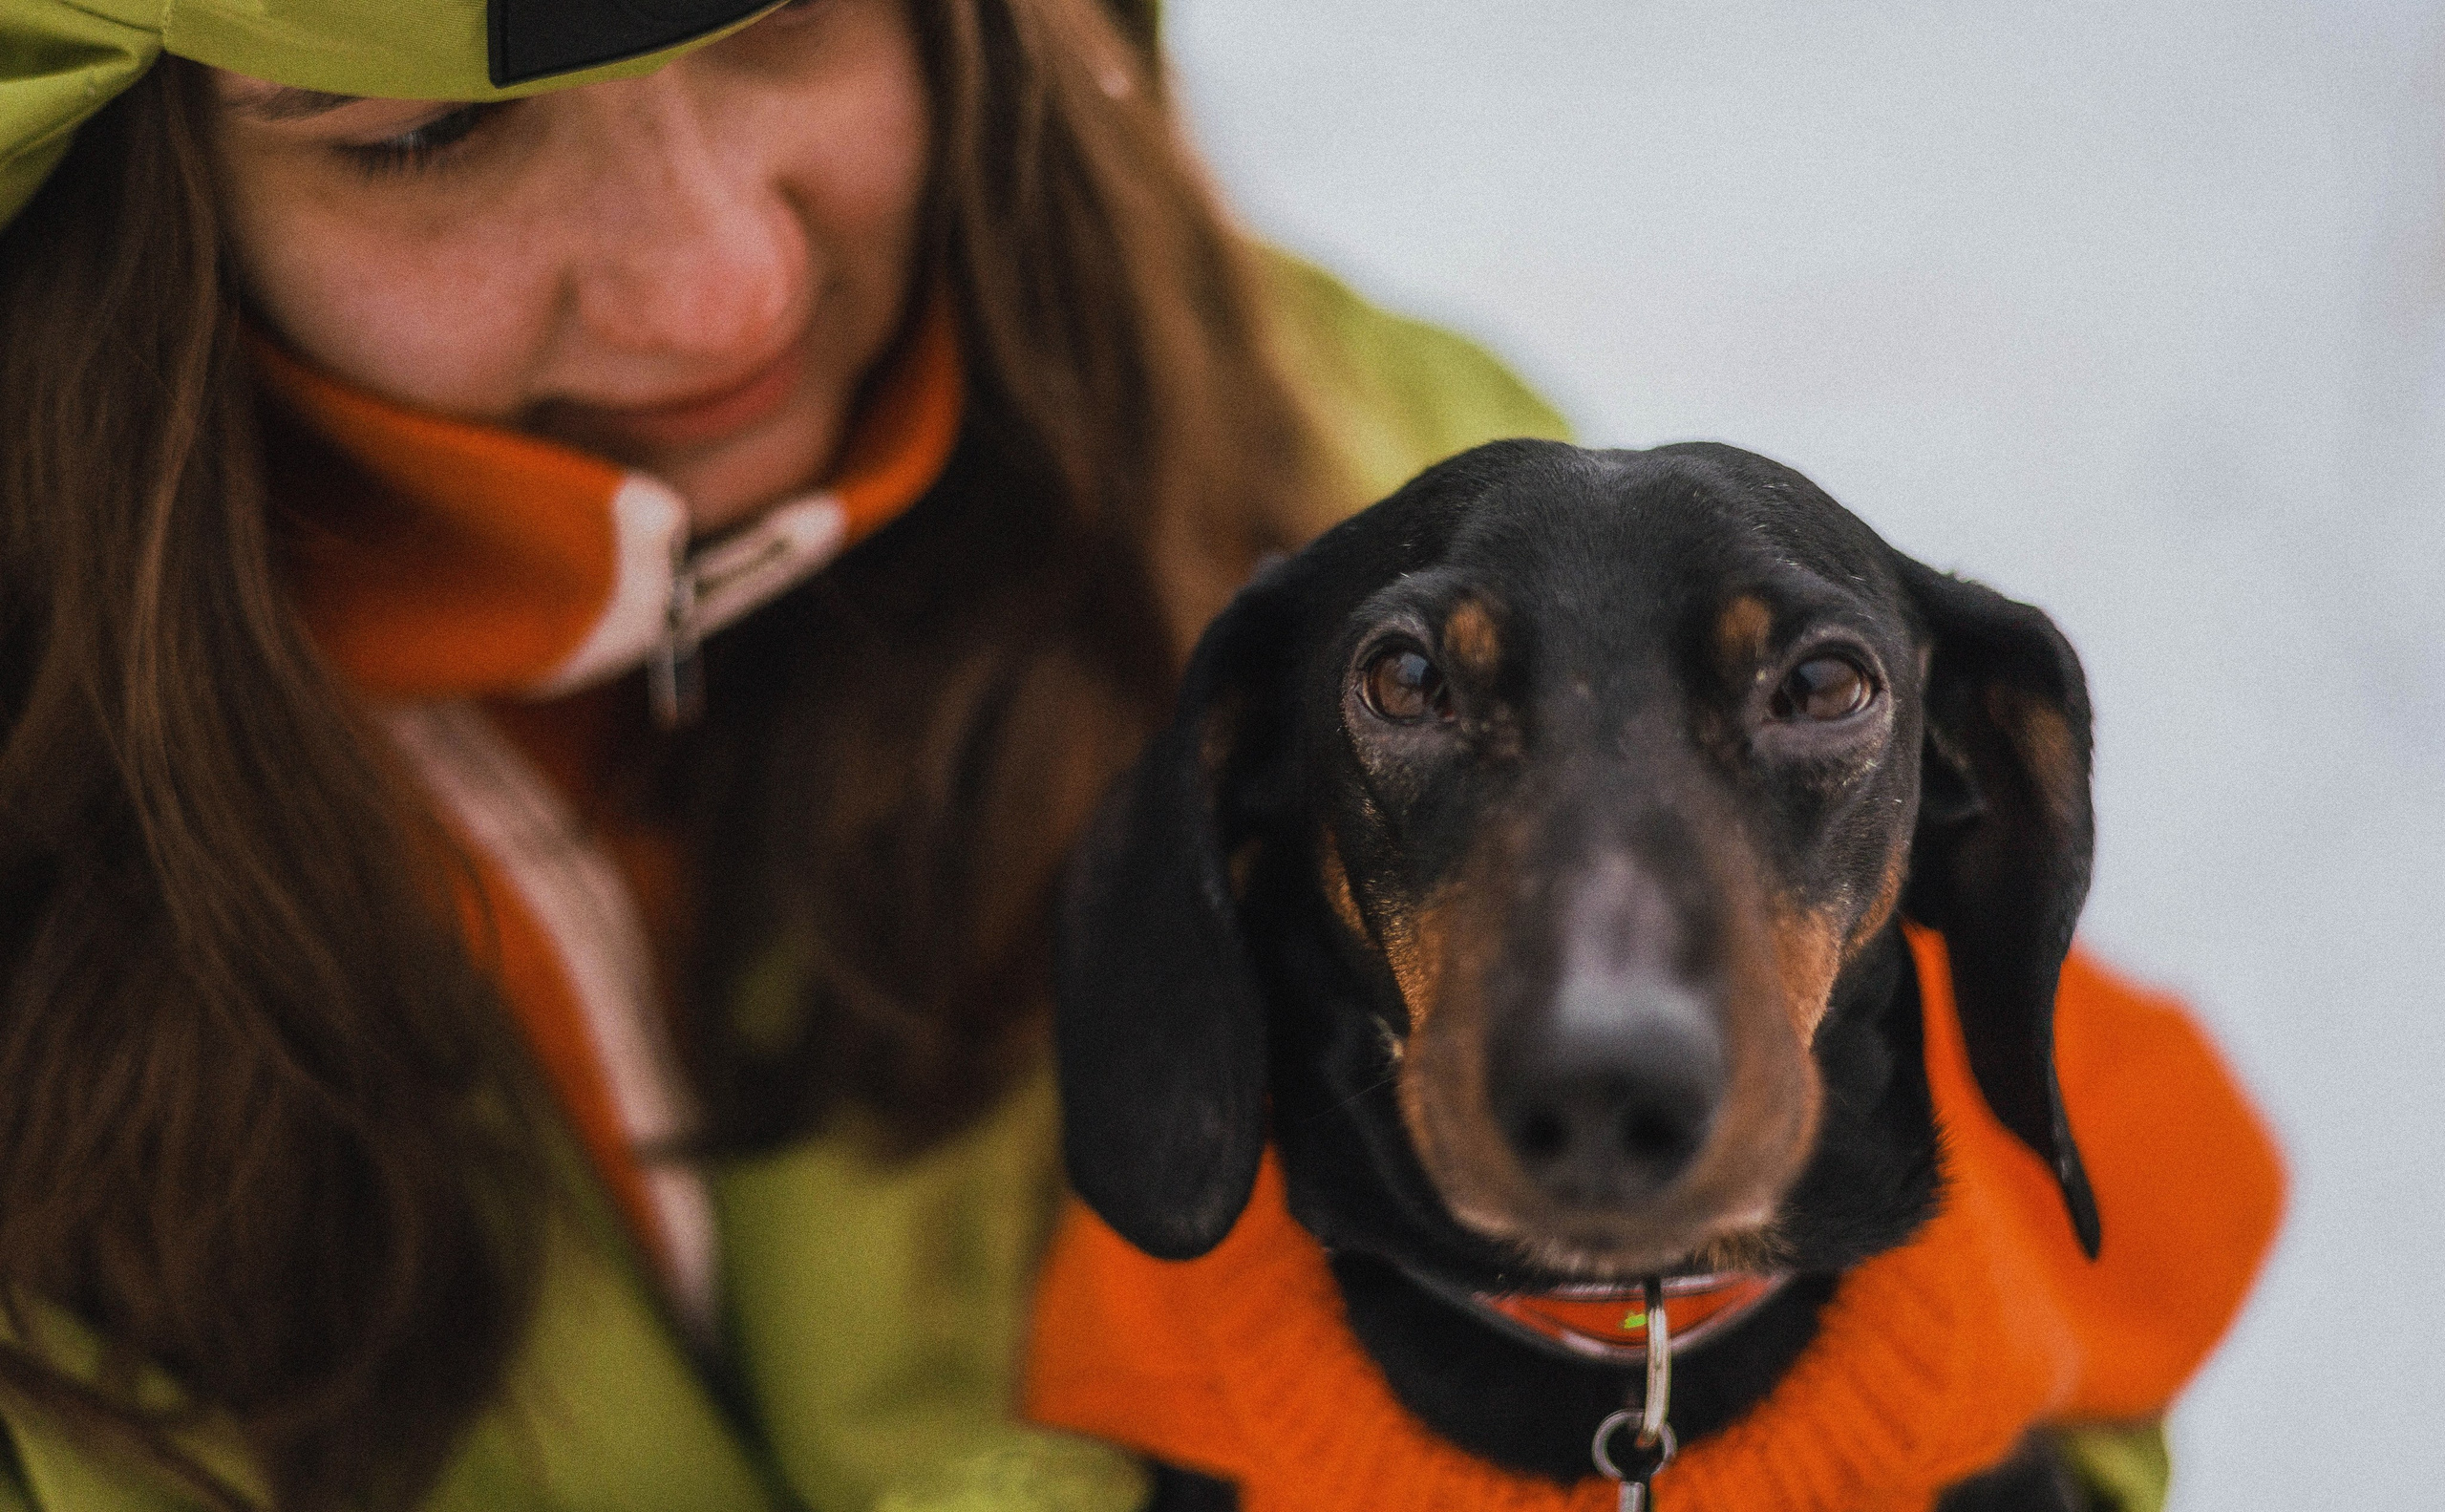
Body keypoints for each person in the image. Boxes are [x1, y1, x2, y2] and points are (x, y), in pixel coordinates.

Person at [0, 1, 1566, 1508]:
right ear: (98, 194)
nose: (721, 289)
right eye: (433, 139)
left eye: (790, 16)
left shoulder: (1396, 507)